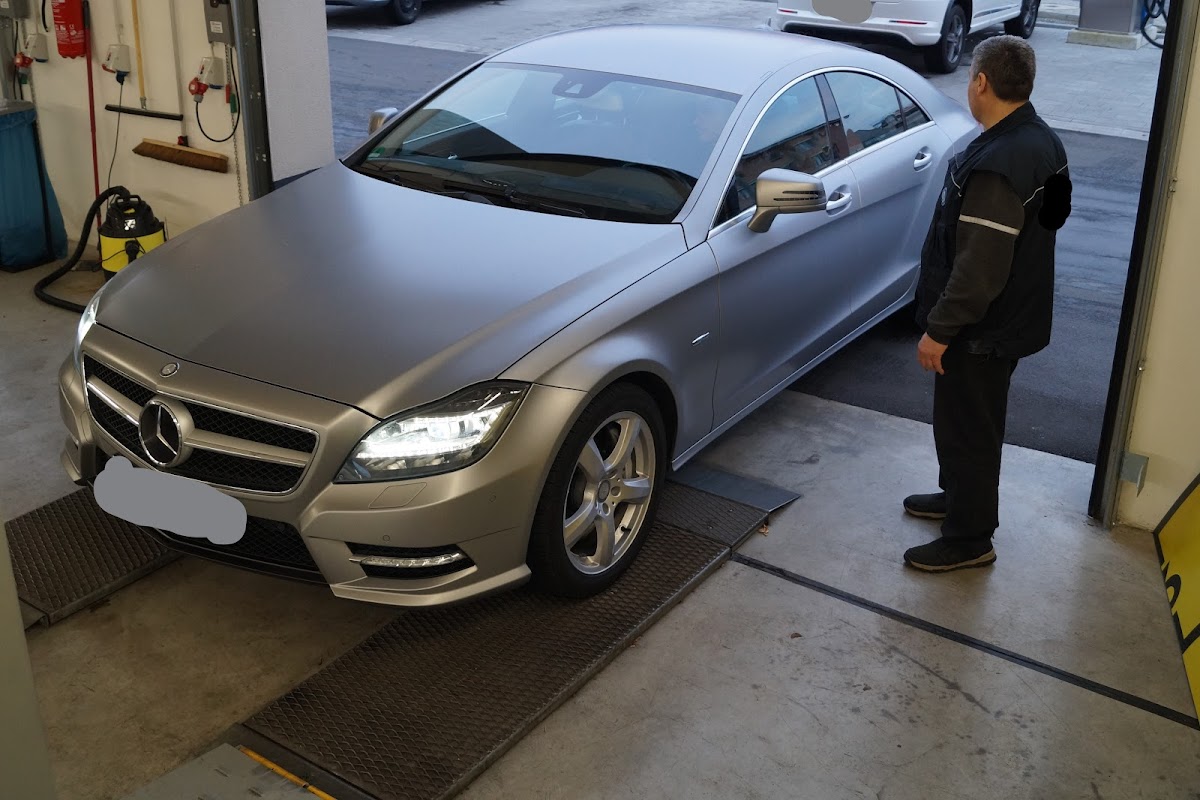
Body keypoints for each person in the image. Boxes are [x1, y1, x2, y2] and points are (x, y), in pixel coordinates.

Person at [903, 35, 1072, 572]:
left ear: (980, 82)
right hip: (1008, 317)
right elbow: (1051, 220)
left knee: (968, 431)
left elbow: (979, 268)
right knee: (967, 424)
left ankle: (970, 539)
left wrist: (940, 330)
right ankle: (958, 498)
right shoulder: (1039, 140)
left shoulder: (1000, 163)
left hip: (981, 330)